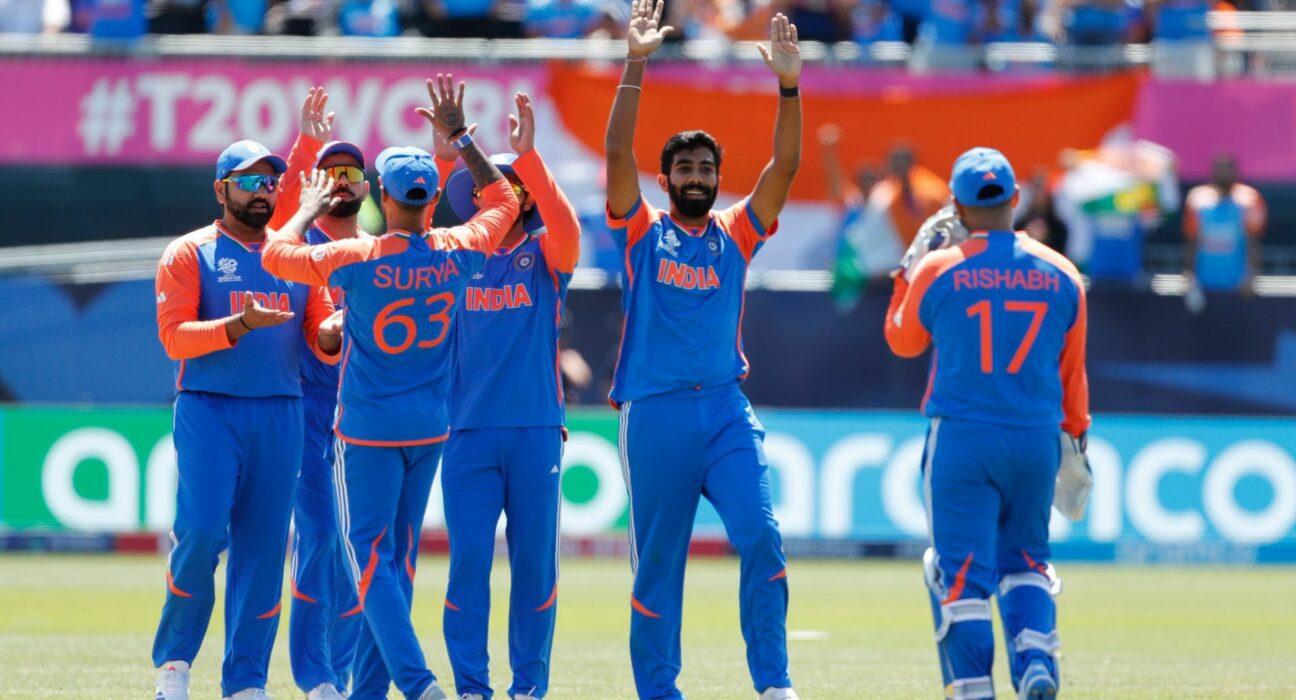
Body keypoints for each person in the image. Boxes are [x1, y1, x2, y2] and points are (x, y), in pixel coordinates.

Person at [261, 74, 519, 700]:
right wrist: (462, 143)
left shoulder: (359, 257)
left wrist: (307, 208)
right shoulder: (459, 249)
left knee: (370, 560)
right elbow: (503, 202)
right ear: (432, 199)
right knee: (397, 563)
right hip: (429, 428)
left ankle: (418, 683)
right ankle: (368, 692)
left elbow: (275, 255)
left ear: (381, 193)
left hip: (368, 430)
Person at [603, 3, 802, 698]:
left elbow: (785, 165)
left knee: (762, 537)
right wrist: (634, 63)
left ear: (718, 178)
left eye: (706, 168)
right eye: (684, 167)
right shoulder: (640, 232)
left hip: (724, 411)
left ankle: (774, 683)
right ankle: (660, 691)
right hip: (654, 413)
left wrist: (788, 86)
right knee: (658, 566)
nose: (696, 176)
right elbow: (618, 154)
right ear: (665, 181)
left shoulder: (738, 233)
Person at [884, 147, 1091, 700]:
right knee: (1026, 560)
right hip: (1035, 438)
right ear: (1015, 199)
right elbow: (1073, 371)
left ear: (956, 204)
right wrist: (1076, 434)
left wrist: (906, 273)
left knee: (960, 574)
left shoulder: (939, 268)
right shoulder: (1062, 272)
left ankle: (976, 688)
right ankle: (1036, 654)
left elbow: (902, 341)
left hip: (963, 438)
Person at [152, 139, 341, 700]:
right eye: (249, 182)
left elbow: (320, 336)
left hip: (281, 412)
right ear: (221, 190)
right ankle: (174, 664)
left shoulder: (297, 258)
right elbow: (174, 338)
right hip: (209, 410)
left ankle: (246, 682)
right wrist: (239, 325)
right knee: (202, 532)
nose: (263, 192)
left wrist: (336, 332)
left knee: (262, 550)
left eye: (270, 182)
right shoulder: (190, 253)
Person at [439, 90, 581, 700]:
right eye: (484, 186)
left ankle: (528, 688)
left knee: (534, 569)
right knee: (469, 565)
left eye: (508, 185)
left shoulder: (547, 256)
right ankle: (473, 688)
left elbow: (568, 229)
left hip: (534, 431)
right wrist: (448, 151)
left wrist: (529, 158)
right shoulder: (453, 258)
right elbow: (414, 221)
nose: (495, 193)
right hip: (465, 434)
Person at [1183, 153, 1267, 298]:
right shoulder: (1196, 200)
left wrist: (1251, 277)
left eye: (1228, 168)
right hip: (1204, 284)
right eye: (1219, 168)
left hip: (1237, 285)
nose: (1223, 173)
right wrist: (1189, 277)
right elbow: (1192, 242)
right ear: (1212, 171)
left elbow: (1253, 243)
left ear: (1236, 172)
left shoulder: (1251, 200)